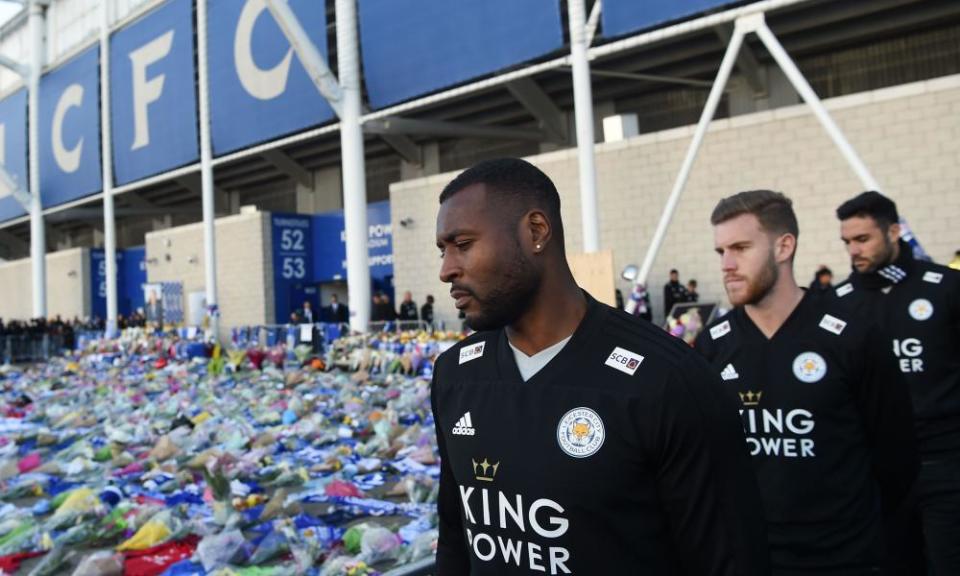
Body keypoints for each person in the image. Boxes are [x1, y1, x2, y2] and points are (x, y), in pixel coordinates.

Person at [432, 158, 769, 575]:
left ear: (535, 231)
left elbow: (728, 560)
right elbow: (455, 540)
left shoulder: (667, 380)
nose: (447, 269)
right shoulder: (456, 376)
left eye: (462, 244)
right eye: (442, 250)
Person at [695, 190, 917, 575]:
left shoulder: (851, 335)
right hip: (752, 557)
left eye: (741, 248)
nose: (727, 265)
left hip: (845, 558)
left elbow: (896, 458)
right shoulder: (713, 344)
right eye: (721, 252)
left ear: (784, 247)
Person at [834, 191, 960, 575]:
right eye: (847, 242)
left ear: (893, 231)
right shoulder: (838, 303)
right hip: (878, 474)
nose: (854, 250)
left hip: (946, 465)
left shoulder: (945, 287)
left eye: (863, 239)